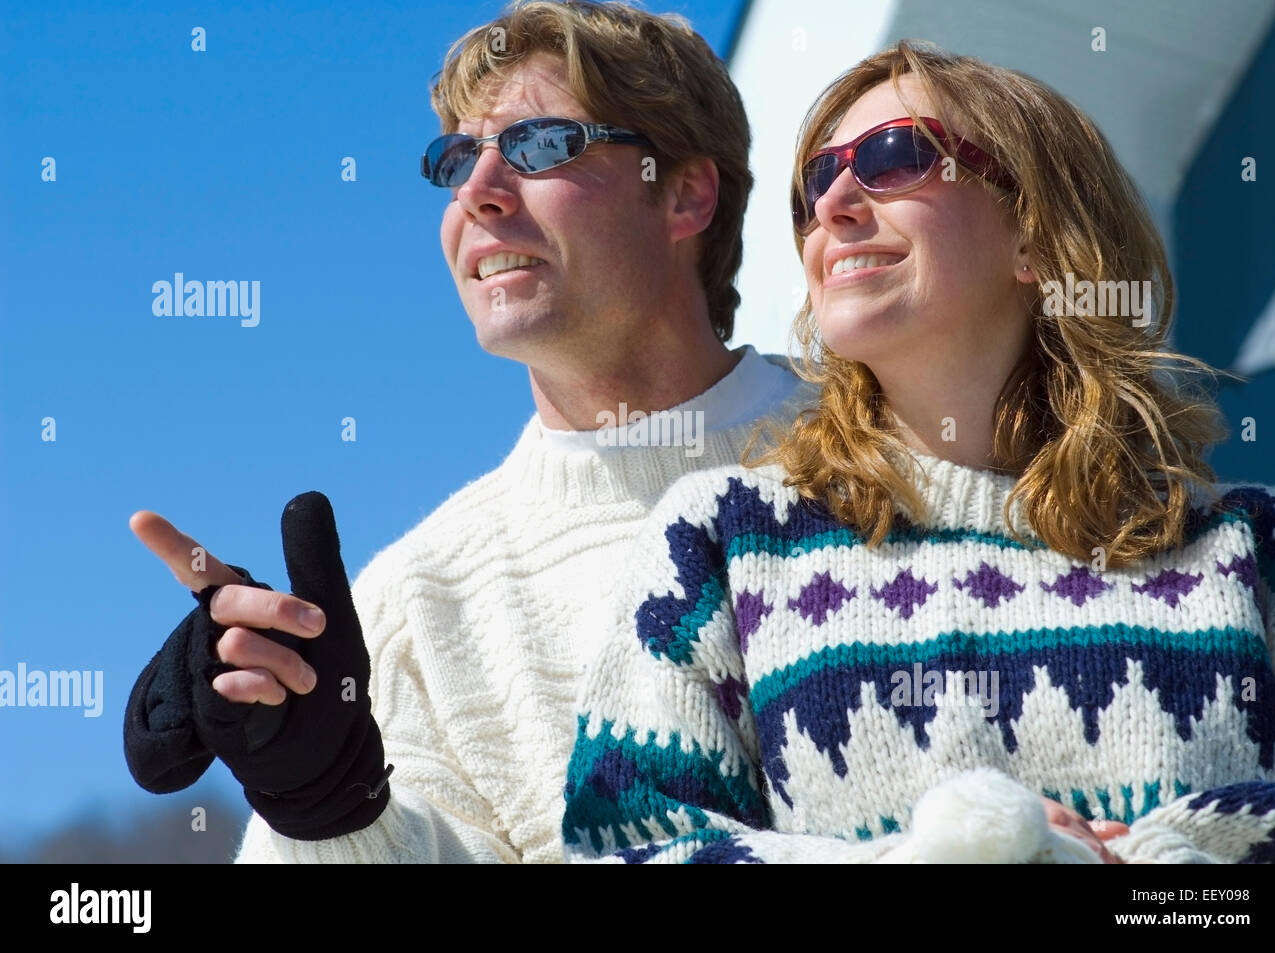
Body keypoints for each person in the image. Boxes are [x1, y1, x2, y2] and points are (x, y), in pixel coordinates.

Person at [561, 40, 1275, 864]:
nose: (835, 202)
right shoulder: (722, 542)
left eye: (894, 156)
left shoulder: (1256, 547)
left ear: (1036, 236)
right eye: (816, 179)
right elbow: (626, 844)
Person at [122, 0, 812, 864]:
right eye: (457, 159)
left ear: (685, 193)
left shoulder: (906, 446)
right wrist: (331, 814)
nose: (477, 192)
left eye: (540, 145)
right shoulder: (410, 606)